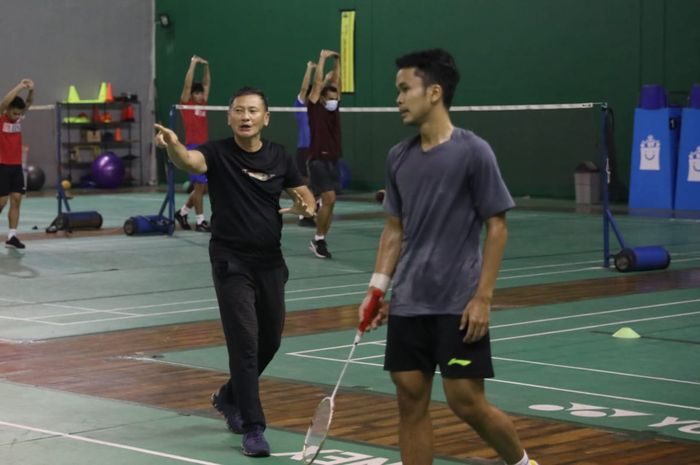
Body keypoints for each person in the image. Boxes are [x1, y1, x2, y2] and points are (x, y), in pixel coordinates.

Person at [359, 49, 538, 465]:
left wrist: (484, 298)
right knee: (410, 399)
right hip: (408, 302)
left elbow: (497, 226)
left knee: (466, 401)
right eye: (397, 91)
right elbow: (394, 230)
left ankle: (524, 464)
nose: (398, 99)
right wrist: (377, 289)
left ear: (434, 92)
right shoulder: (398, 157)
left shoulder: (474, 151)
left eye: (405, 89)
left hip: (457, 302)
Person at [154, 87, 315, 458]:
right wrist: (174, 145)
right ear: (229, 117)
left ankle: (228, 396)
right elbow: (189, 162)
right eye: (239, 111)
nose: (245, 117)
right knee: (244, 343)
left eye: (253, 111)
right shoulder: (217, 152)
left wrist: (304, 206)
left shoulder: (279, 156)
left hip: (271, 262)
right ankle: (253, 425)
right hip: (231, 261)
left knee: (269, 342)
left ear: (265, 118)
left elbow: (305, 197)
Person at [306, 49, 342, 258]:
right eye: (330, 98)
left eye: (336, 98)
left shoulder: (333, 110)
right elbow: (319, 82)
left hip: (332, 160)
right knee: (329, 197)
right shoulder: (315, 107)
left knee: (330, 201)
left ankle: (320, 240)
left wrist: (337, 61)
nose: (334, 100)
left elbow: (335, 82)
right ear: (321, 99)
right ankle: (318, 239)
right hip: (318, 159)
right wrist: (322, 59)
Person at [174, 54, 212, 232]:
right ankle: (200, 221)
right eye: (196, 93)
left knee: (200, 188)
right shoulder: (186, 104)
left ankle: (182, 212)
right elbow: (187, 85)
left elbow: (206, 84)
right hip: (192, 148)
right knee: (199, 188)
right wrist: (193, 64)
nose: (199, 95)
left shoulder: (204, 103)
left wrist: (206, 66)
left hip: (204, 149)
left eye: (200, 93)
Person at [0, 79, 34, 249]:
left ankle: (12, 236)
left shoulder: (18, 118)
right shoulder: (1, 117)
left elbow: (28, 103)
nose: (18, 116)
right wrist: (20, 87)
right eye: (15, 113)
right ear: (7, 111)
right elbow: (5, 101)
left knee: (16, 199)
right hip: (1, 165)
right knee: (1, 202)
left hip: (16, 166)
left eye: (20, 114)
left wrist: (31, 91)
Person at [295, 60, 317, 228]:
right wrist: (309, 69)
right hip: (304, 149)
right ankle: (304, 215)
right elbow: (304, 89)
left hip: (316, 149)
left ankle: (311, 211)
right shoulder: (301, 107)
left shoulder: (317, 110)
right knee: (305, 183)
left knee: (315, 183)